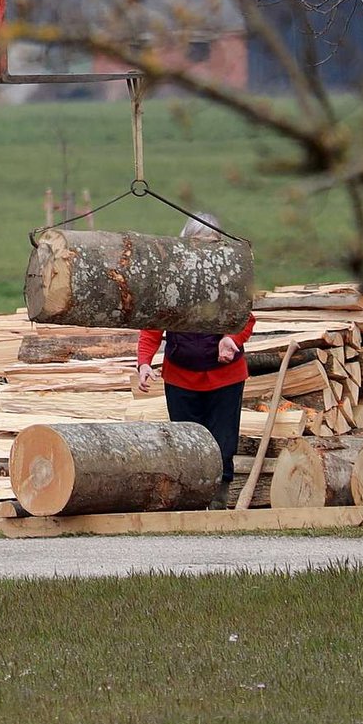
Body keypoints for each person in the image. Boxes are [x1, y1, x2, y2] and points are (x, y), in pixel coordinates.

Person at [134, 213, 256, 508]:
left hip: (225, 376)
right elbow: (153, 325)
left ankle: (218, 498)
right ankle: (191, 498)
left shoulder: (231, 278)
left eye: (211, 243)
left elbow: (246, 319)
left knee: (223, 441)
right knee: (186, 441)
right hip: (181, 376)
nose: (205, 249)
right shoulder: (170, 280)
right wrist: (144, 363)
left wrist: (232, 339)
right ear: (186, 243)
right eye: (199, 242)